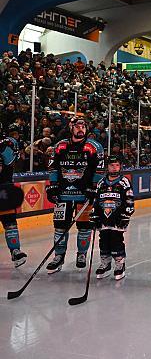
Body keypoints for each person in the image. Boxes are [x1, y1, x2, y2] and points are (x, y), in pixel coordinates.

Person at [46, 117, 104, 273]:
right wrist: (52, 186)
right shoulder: (60, 146)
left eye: (83, 126)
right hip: (63, 194)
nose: (81, 129)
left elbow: (99, 169)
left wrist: (93, 187)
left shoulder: (94, 147)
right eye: (77, 126)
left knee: (84, 226)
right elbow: (53, 168)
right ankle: (58, 256)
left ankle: (82, 254)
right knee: (59, 226)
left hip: (83, 194)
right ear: (71, 128)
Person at [90, 155, 134, 280]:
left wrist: (126, 214)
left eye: (117, 165)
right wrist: (94, 214)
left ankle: (120, 264)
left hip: (118, 217)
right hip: (103, 217)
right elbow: (96, 200)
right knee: (103, 239)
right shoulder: (101, 182)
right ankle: (106, 263)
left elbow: (130, 200)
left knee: (116, 240)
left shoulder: (124, 181)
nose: (114, 168)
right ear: (107, 167)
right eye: (111, 165)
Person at [0, 125, 27, 267]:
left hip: (4, 190)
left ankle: (15, 251)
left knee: (10, 222)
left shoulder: (7, 144)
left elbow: (9, 160)